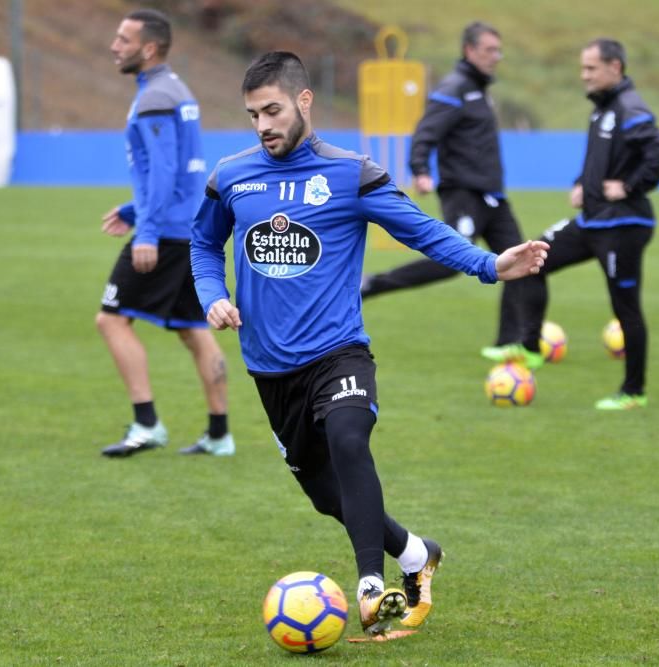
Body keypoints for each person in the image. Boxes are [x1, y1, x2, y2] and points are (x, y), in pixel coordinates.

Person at [190, 52, 548, 635]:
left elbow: (421, 229)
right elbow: (203, 245)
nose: (263, 125)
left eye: (273, 110)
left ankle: (369, 584)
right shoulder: (231, 176)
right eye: (253, 115)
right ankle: (414, 554)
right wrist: (212, 293)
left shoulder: (350, 174)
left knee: (349, 437)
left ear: (304, 101)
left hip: (338, 351)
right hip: (270, 367)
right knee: (327, 494)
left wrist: (489, 264)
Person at [499, 38, 659, 410]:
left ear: (615, 67)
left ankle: (633, 392)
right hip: (593, 222)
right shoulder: (602, 110)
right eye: (583, 68)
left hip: (624, 226)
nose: (584, 75)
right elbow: (602, 160)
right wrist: (584, 183)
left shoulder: (630, 108)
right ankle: (530, 348)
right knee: (534, 258)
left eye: (591, 68)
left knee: (625, 308)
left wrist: (627, 187)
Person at [96, 9, 235, 457]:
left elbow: (165, 171)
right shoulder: (176, 89)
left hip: (169, 231)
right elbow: (178, 174)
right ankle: (219, 434)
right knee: (195, 329)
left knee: (112, 319)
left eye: (123, 38)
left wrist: (146, 231)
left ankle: (146, 424)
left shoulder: (156, 96)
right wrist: (133, 211)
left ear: (149, 48)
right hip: (188, 226)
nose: (114, 45)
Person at [361, 22, 535, 366]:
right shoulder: (453, 88)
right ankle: (372, 284)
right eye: (489, 50)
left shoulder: (479, 90)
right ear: (470, 51)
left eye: (499, 50)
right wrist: (421, 170)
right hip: (464, 194)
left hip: (493, 198)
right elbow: (425, 133)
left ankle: (508, 342)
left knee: (521, 261)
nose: (496, 57)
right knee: (448, 262)